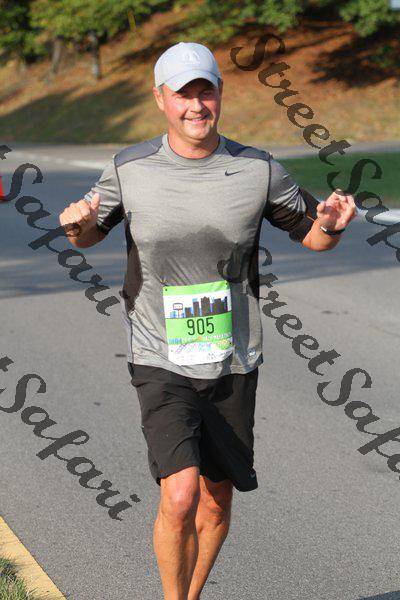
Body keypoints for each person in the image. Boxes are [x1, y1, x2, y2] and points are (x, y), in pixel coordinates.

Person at [59, 41, 356, 600]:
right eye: (183, 94)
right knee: (179, 495)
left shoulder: (257, 169)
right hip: (158, 353)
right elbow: (90, 232)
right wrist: (77, 225)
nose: (196, 105)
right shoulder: (129, 168)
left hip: (232, 357)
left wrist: (332, 225)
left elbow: (312, 236)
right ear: (160, 99)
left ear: (220, 94)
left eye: (206, 91)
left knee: (217, 499)